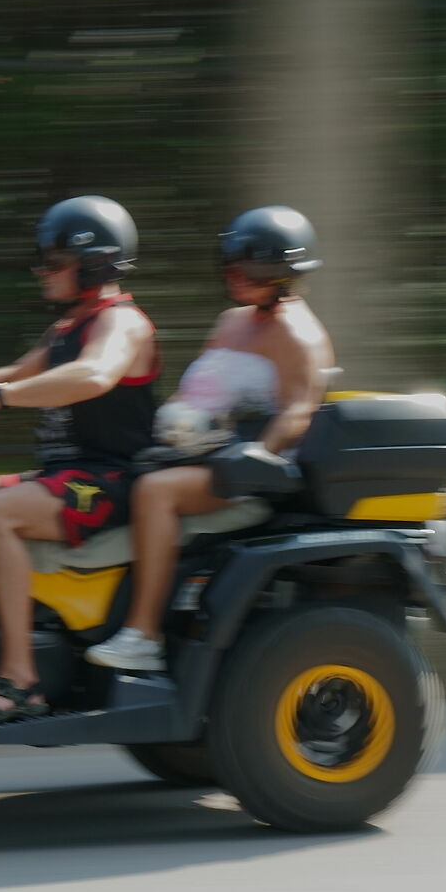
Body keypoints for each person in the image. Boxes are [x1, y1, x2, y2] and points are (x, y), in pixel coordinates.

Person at [85, 205, 334, 673]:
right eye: (231, 265)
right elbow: (198, 388)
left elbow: (299, 410)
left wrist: (258, 455)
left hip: (247, 469)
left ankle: (143, 635)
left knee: (154, 492)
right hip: (198, 453)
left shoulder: (298, 334)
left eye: (249, 268)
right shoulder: (232, 321)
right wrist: (175, 423)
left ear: (284, 271)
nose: (235, 276)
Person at [0, 195, 159, 720]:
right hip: (69, 475)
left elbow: (93, 376)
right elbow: (14, 373)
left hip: (108, 480)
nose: (42, 272)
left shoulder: (121, 323)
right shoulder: (69, 327)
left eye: (55, 263)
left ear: (96, 264)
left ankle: (21, 678)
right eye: (43, 261)